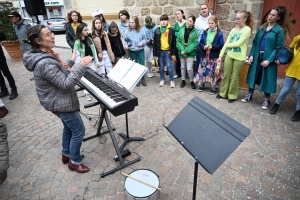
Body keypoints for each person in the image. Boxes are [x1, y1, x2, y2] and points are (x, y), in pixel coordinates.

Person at [23, 24, 93, 173]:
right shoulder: (45, 62)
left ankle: (66, 154)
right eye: (48, 35)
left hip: (56, 101)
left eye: (51, 33)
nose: (53, 36)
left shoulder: (45, 55)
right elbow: (65, 83)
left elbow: (57, 73)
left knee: (69, 128)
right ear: (38, 41)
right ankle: (74, 161)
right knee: (79, 130)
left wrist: (72, 60)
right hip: (61, 103)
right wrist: (81, 65)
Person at [241, 6, 293, 110]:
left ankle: (267, 100)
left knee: (267, 78)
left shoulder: (279, 30)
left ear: (278, 18)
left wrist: (269, 60)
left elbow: (278, 48)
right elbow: (255, 43)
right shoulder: (262, 28)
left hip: (268, 58)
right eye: (270, 14)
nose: (270, 16)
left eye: (273, 15)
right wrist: (251, 55)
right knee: (253, 75)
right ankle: (249, 95)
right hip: (257, 56)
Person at [216, 10, 253, 103]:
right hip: (230, 55)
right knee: (226, 75)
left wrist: (228, 45)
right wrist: (221, 55)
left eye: (238, 19)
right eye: (236, 19)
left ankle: (232, 95)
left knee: (235, 77)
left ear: (245, 19)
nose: (236, 21)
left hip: (239, 57)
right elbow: (226, 44)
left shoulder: (247, 29)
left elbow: (238, 43)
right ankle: (223, 93)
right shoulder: (233, 30)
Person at [269, 34, 300, 122]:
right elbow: (287, 52)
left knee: (299, 93)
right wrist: (280, 59)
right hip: (292, 69)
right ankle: (276, 104)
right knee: (285, 89)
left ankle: (298, 111)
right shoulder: (297, 38)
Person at [196, 15, 224, 94]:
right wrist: (203, 46)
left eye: (212, 23)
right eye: (209, 23)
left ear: (216, 23)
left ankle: (215, 86)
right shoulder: (205, 32)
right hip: (205, 54)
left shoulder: (219, 34)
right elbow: (200, 42)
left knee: (213, 71)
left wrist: (213, 46)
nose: (210, 25)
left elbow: (221, 45)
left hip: (213, 55)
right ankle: (202, 83)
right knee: (203, 69)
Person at [74, 23, 101, 101]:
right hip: (83, 64)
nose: (87, 31)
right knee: (85, 78)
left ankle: (94, 91)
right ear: (80, 31)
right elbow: (76, 55)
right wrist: (80, 64)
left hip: (91, 62)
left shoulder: (89, 39)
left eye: (87, 29)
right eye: (85, 30)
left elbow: (94, 52)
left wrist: (97, 62)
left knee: (93, 77)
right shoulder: (77, 42)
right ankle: (86, 93)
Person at [153, 14, 176, 88]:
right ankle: (162, 79)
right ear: (160, 21)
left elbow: (173, 42)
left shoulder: (171, 29)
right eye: (162, 20)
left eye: (165, 20)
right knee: (161, 66)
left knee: (169, 66)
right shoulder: (157, 29)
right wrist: (155, 53)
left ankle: (172, 80)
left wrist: (173, 52)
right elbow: (155, 42)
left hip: (168, 51)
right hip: (160, 51)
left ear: (167, 21)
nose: (163, 22)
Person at [8, 12, 32, 81]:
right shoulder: (14, 26)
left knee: (32, 60)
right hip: (22, 47)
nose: (11, 19)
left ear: (18, 18)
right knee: (28, 62)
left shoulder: (26, 25)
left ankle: (36, 73)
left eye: (12, 17)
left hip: (29, 46)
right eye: (10, 18)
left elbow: (32, 35)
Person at [176, 15, 198, 89]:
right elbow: (178, 41)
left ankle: (191, 81)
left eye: (190, 21)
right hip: (182, 52)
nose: (188, 22)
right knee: (182, 67)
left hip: (190, 53)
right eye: (188, 20)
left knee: (189, 68)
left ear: (194, 23)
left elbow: (194, 43)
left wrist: (186, 51)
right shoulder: (181, 30)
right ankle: (183, 80)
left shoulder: (195, 32)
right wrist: (182, 50)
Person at [125, 16, 147, 87]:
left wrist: (142, 43)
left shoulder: (141, 30)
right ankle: (137, 80)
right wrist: (126, 45)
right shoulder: (127, 31)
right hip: (133, 51)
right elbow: (125, 40)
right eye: (130, 22)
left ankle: (143, 78)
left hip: (140, 50)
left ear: (136, 22)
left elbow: (145, 39)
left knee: (142, 64)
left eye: (132, 22)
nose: (131, 24)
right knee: (135, 65)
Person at [0, 31, 18, 100]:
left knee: (6, 73)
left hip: (0, 57)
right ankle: (4, 90)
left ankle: (14, 90)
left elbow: (3, 36)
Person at [195, 4, 212, 70]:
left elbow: (217, 31)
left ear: (208, 9)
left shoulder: (212, 18)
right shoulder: (197, 20)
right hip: (200, 43)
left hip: (210, 44)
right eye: (202, 9)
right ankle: (197, 76)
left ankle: (207, 77)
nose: (203, 10)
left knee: (209, 62)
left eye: (205, 8)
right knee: (199, 61)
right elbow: (195, 33)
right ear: (200, 11)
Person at [173, 9, 186, 78]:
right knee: (177, 59)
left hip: (185, 44)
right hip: (177, 44)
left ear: (182, 14)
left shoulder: (186, 23)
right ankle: (178, 73)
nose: (177, 15)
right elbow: (173, 34)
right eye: (176, 14)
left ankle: (185, 73)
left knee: (185, 59)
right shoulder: (175, 25)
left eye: (178, 14)